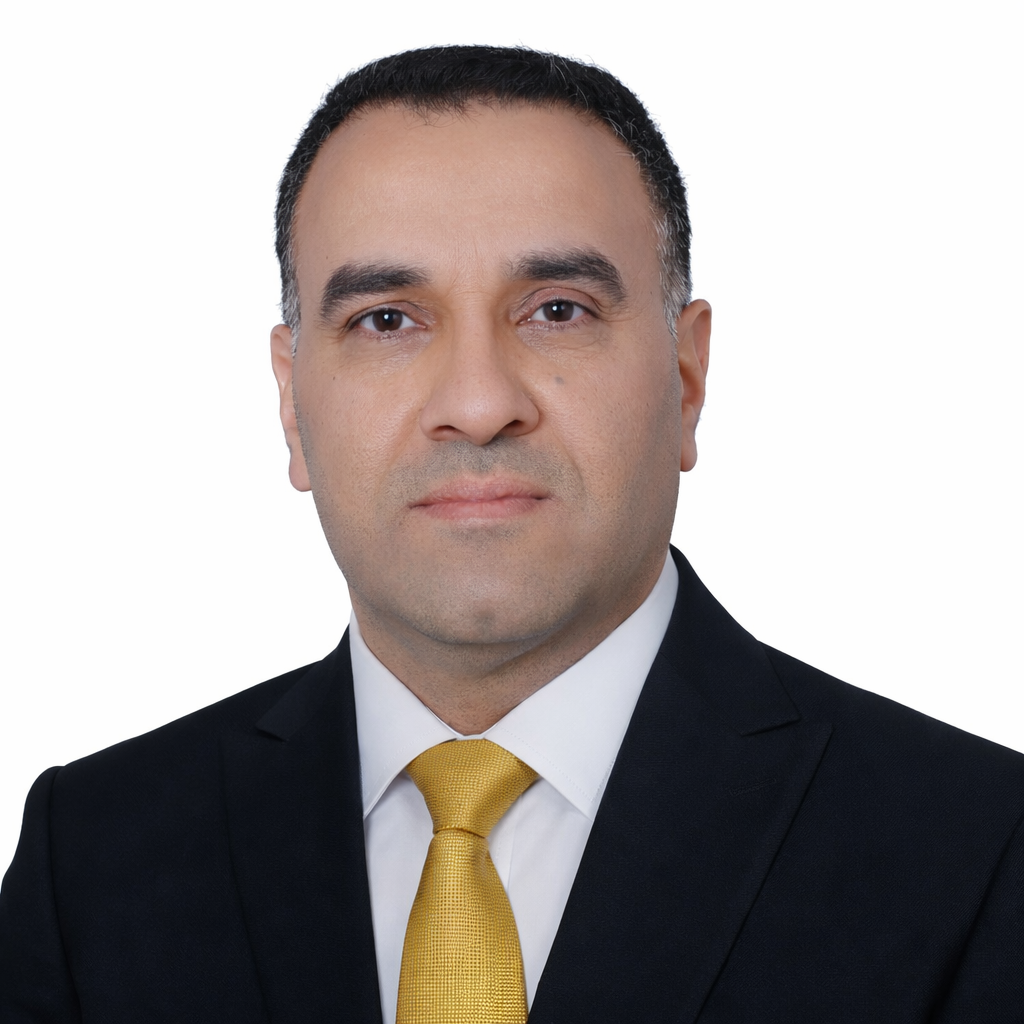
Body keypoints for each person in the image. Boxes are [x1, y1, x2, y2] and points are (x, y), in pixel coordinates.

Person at [1, 44, 1021, 1023]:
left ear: (685, 377)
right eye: (386, 320)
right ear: (290, 402)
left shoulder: (977, 851)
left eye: (557, 310)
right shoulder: (88, 858)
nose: (480, 403)